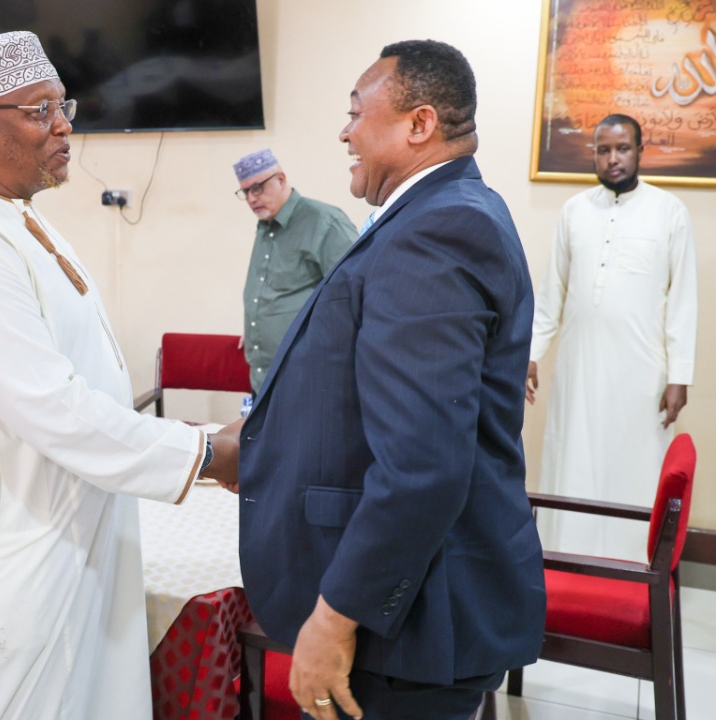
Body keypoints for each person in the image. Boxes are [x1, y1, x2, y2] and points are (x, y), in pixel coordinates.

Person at [0, 31, 237, 719]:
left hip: (59, 537)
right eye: (39, 111)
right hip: (8, 559)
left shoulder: (11, 214)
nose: (65, 125)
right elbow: (54, 408)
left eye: (61, 104)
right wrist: (208, 452)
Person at [236, 40, 545, 720]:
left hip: (410, 623)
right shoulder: (438, 214)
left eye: (355, 112)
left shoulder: (438, 230)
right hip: (416, 610)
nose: (344, 131)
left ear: (419, 123)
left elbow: (423, 463)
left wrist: (335, 615)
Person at [526, 113, 697, 560]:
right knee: (573, 462)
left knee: (634, 467)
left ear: (641, 152)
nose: (612, 158)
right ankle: (564, 561)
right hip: (579, 369)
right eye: (603, 150)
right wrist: (530, 353)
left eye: (622, 149)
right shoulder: (575, 212)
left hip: (642, 375)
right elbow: (552, 293)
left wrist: (679, 375)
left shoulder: (669, 213)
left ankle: (631, 568)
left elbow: (683, 301)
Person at [234, 149, 356, 394]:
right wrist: (256, 325)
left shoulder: (323, 221)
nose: (251, 198)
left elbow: (353, 292)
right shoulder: (265, 225)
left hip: (307, 374)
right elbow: (276, 291)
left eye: (257, 188)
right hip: (264, 375)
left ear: (280, 179)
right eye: (245, 191)